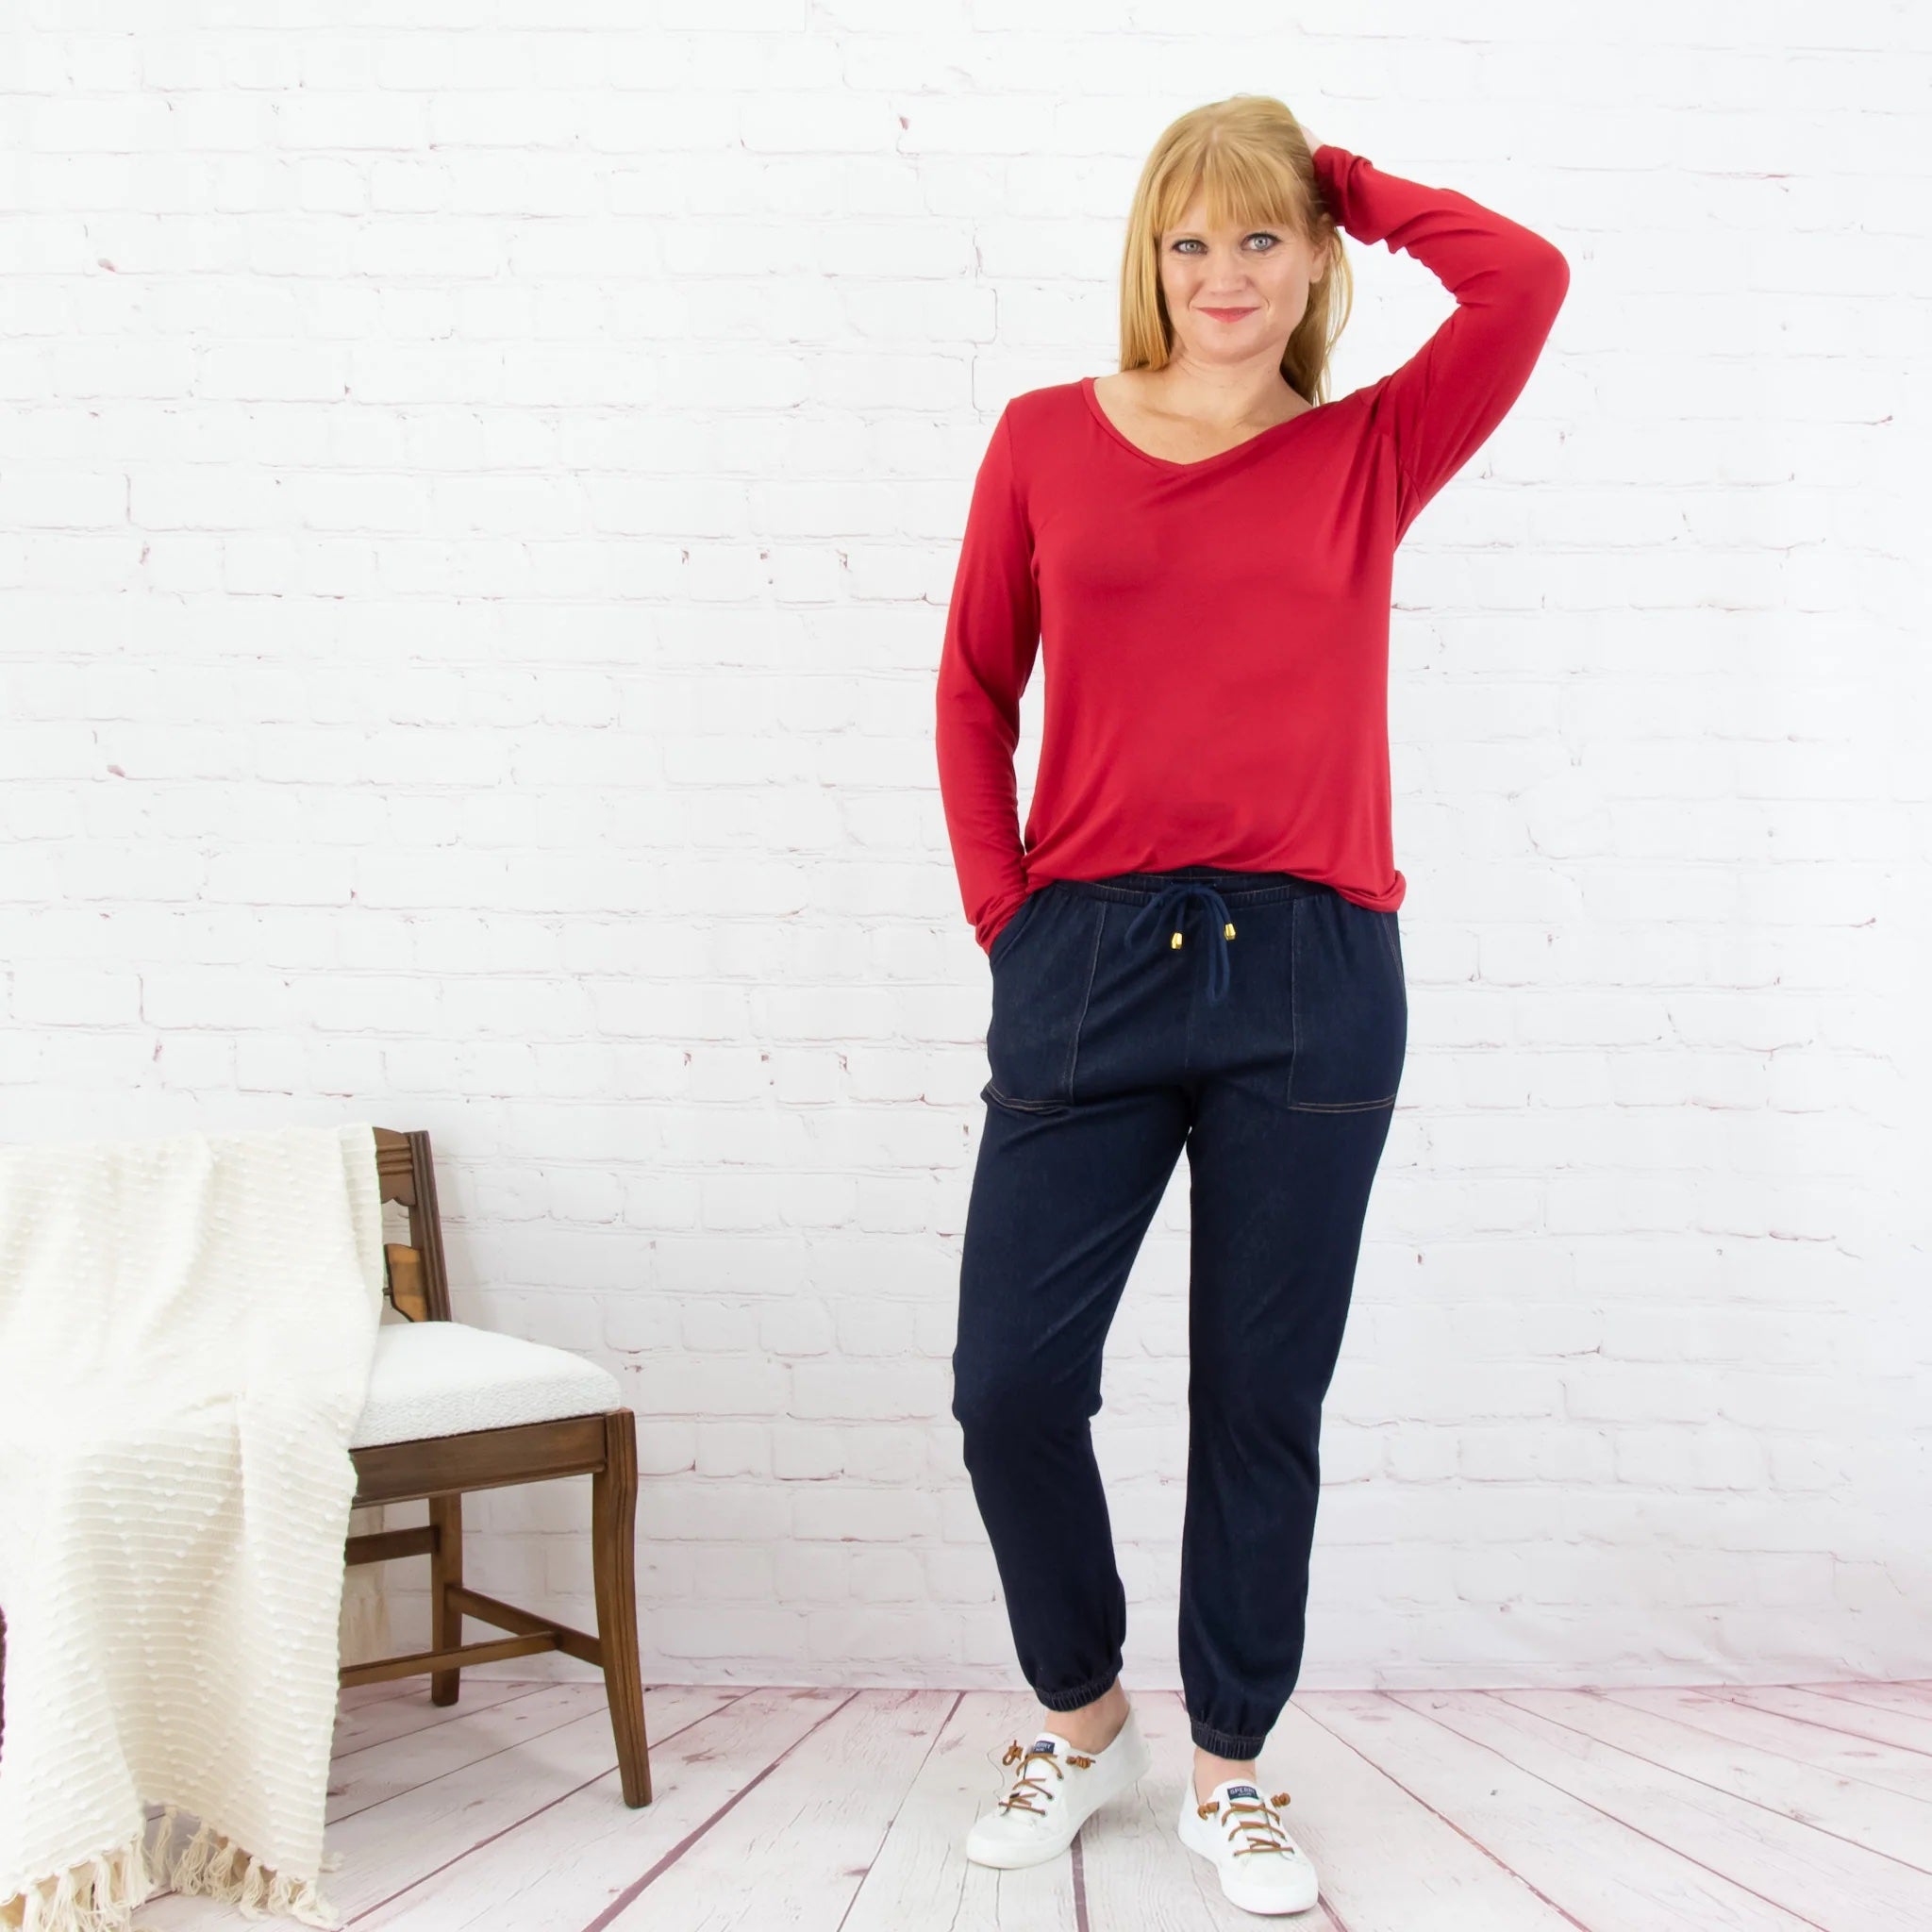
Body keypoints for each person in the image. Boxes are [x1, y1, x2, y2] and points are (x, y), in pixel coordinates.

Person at [932, 93, 1568, 1917]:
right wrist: (1008, 916)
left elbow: (1523, 279)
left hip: (1313, 968)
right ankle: (1082, 1719)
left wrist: (1344, 178)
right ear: (1150, 257)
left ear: (1313, 258)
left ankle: (1232, 1765)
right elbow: (974, 687)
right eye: (1192, 238)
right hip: (1088, 958)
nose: (1224, 273)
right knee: (1009, 1387)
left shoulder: (1373, 448)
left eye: (1263, 236)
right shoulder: (1043, 437)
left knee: (1260, 1395)